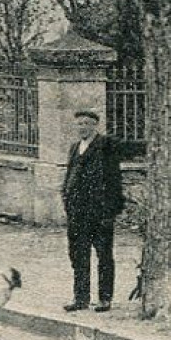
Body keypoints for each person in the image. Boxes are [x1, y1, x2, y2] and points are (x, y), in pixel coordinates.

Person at [61, 109, 124, 313]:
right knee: (78, 255)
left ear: (95, 126)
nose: (83, 127)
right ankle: (81, 298)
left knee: (104, 256)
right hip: (77, 214)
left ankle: (105, 298)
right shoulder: (74, 148)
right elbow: (70, 176)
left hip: (99, 213)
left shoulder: (106, 146)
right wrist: (66, 198)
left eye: (87, 123)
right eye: (79, 124)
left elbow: (114, 181)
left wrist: (110, 212)